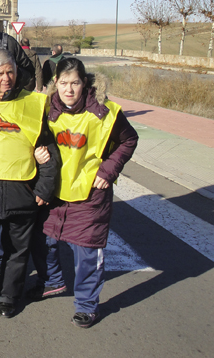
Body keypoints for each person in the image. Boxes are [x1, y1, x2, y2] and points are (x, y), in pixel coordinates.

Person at [31, 57, 138, 328]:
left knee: (87, 252)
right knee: (45, 242)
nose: (69, 89)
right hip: (55, 191)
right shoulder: (43, 108)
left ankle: (87, 305)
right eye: (64, 83)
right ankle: (53, 281)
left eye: (75, 83)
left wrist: (108, 171)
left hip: (90, 193)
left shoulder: (106, 112)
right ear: (55, 83)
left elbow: (129, 140)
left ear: (85, 83)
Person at [0, 49, 58, 318]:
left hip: (22, 189)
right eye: (0, 73)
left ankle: (9, 296)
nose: (6, 78)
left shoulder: (34, 103)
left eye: (11, 72)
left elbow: (49, 149)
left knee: (16, 250)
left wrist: (44, 187)